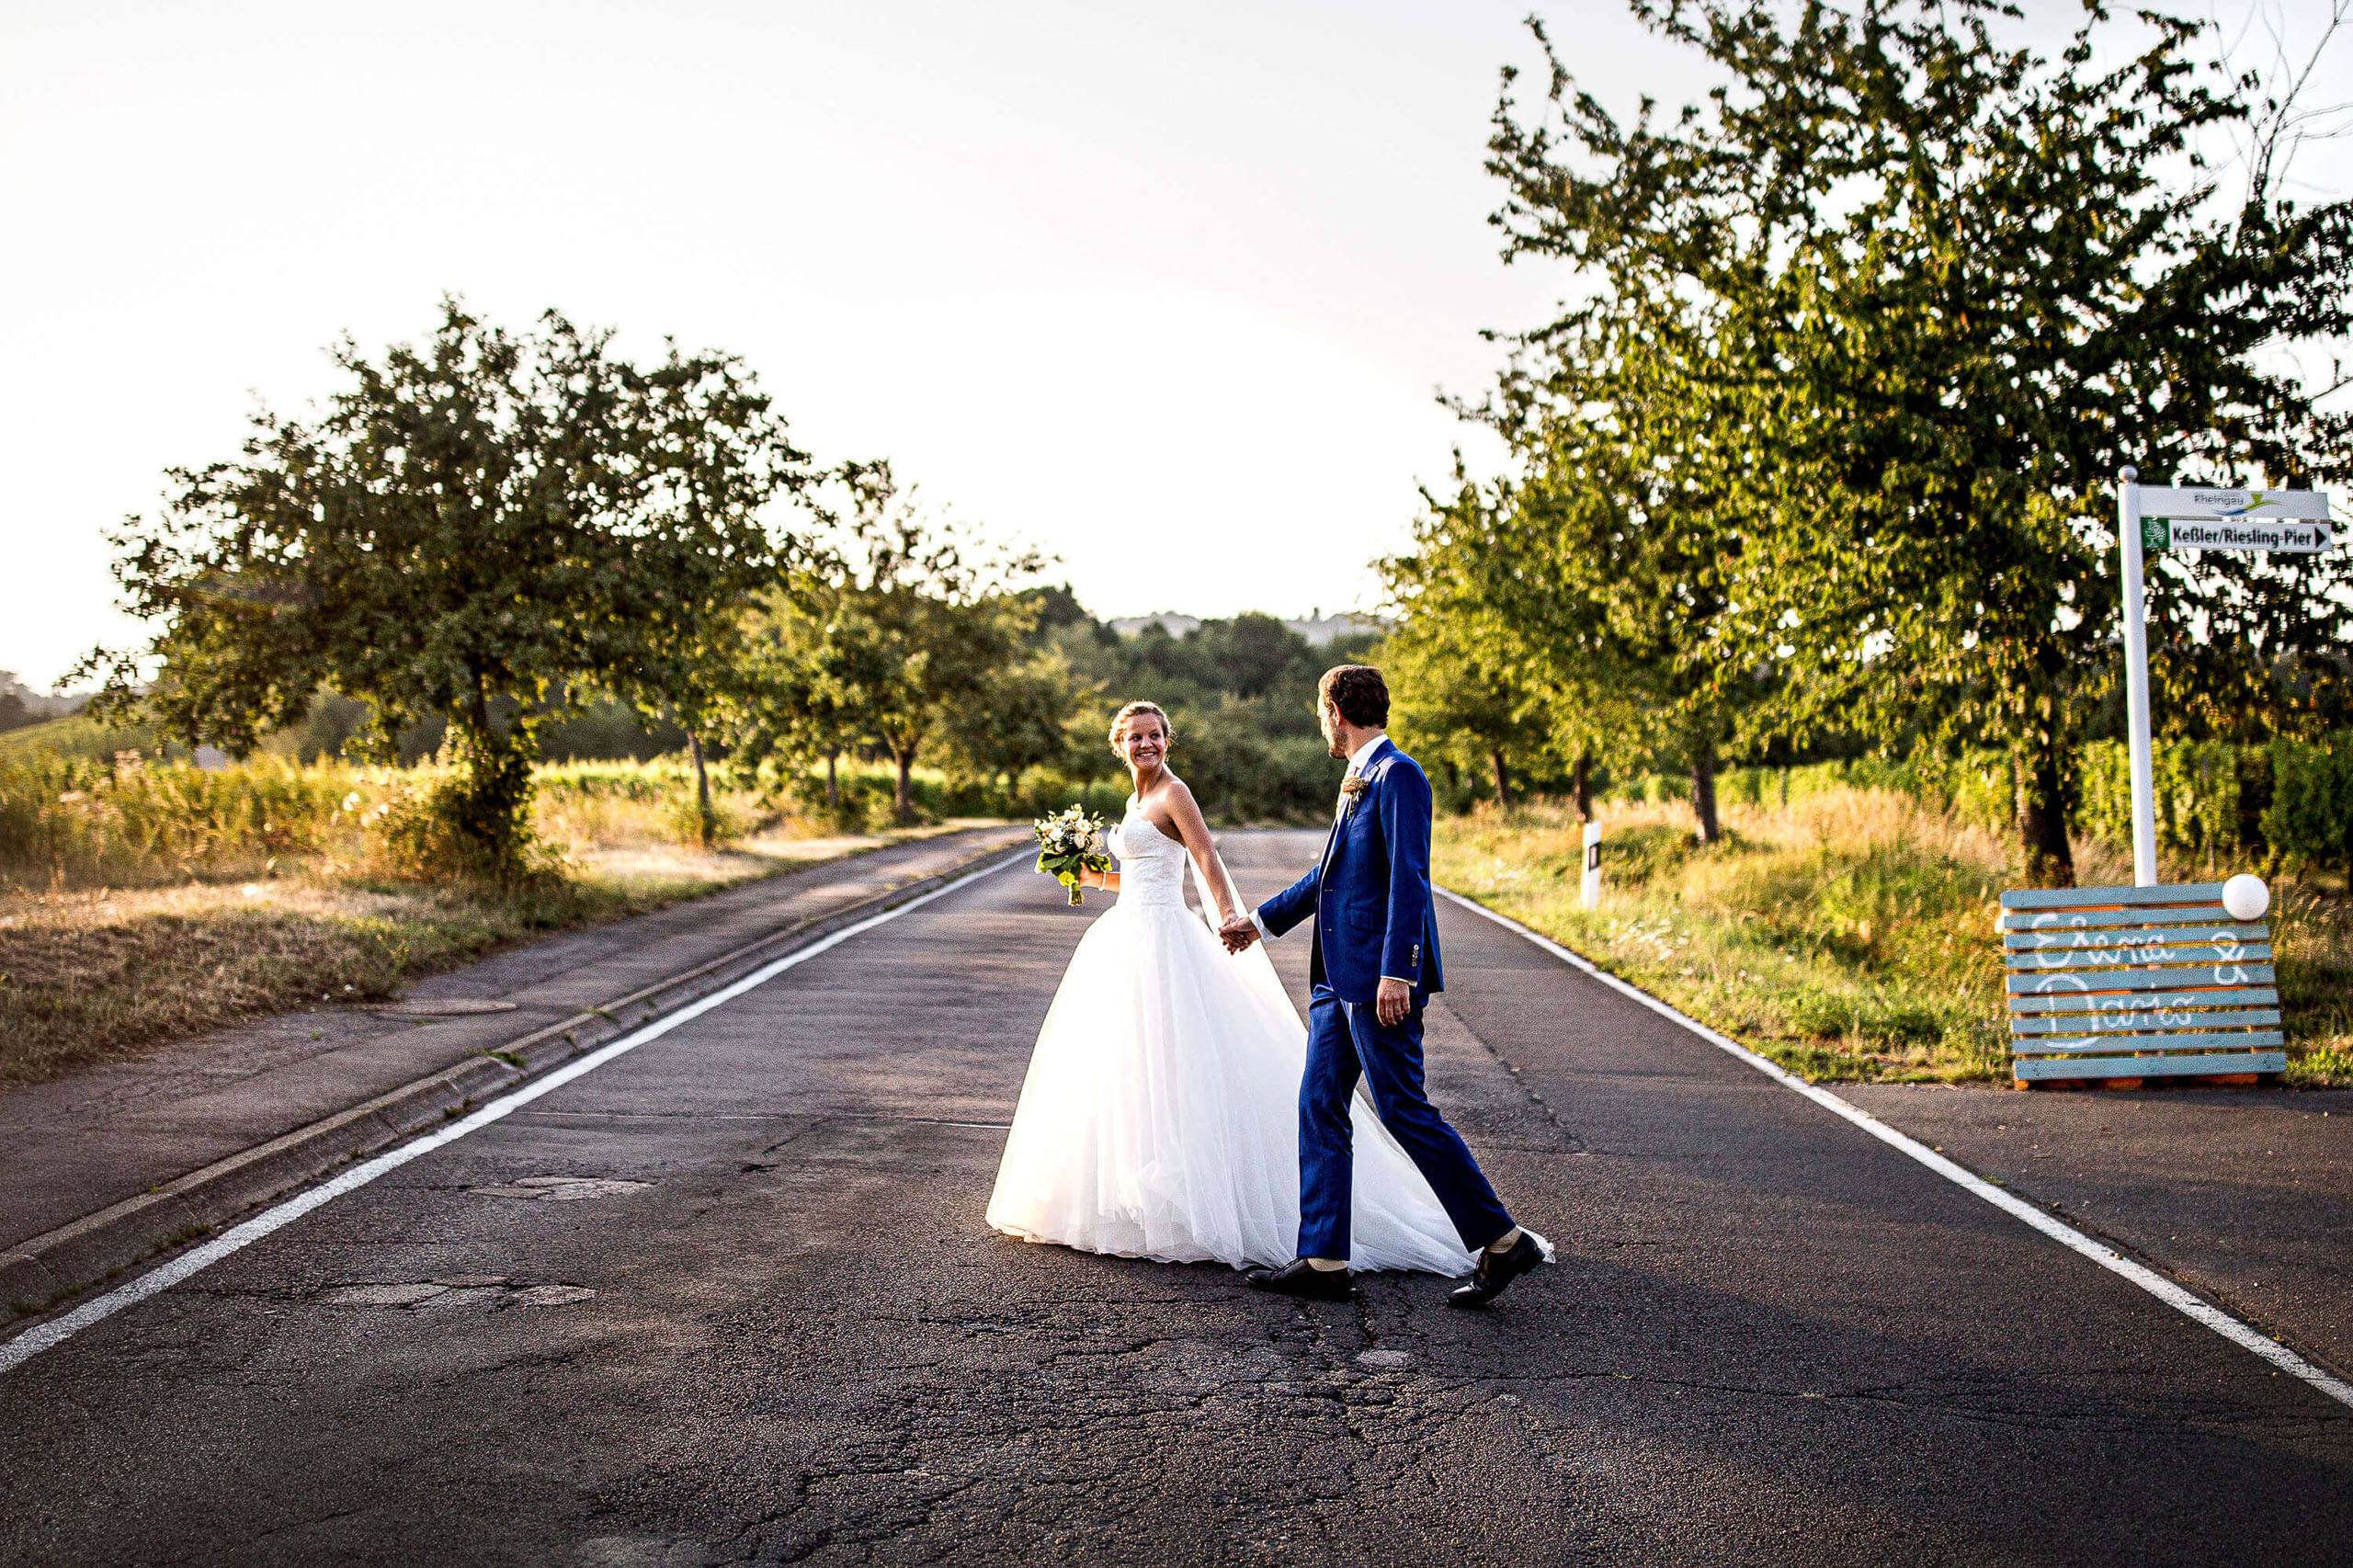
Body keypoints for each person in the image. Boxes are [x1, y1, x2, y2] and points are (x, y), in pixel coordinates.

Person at [985, 700, 1472, 1276]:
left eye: (1156, 735)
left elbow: (1204, 854)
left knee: (1183, 1070)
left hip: (1166, 939)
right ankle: (1144, 1199)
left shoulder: (1174, 793)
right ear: (1119, 745)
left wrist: (1227, 919)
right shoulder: (1134, 802)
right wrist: (1079, 870)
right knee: (1127, 1070)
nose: (1148, 745)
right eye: (1137, 737)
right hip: (1123, 938)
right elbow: (1136, 875)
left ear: (1168, 740)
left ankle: (1238, 1217)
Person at [1222, 665, 1550, 1308]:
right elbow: (1329, 874)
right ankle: (1322, 1258)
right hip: (1333, 981)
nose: (1322, 724)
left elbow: (1410, 877)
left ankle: (1505, 1242)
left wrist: (1398, 969)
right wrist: (1260, 922)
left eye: (1322, 713)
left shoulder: (1400, 775)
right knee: (1319, 1105)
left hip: (1377, 981)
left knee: (1403, 1108)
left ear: (1336, 712)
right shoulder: (1356, 780)